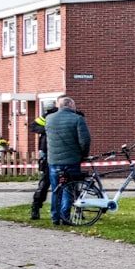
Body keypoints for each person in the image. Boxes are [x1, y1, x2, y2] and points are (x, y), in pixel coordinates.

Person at [42, 96, 91, 225]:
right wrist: (83, 155)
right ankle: (65, 217)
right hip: (72, 160)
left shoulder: (49, 119)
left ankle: (55, 217)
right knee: (68, 190)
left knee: (56, 189)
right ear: (69, 104)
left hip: (54, 161)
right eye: (74, 105)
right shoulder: (77, 119)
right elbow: (85, 141)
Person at [25, 105, 51, 220]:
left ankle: (76, 210)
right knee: (44, 183)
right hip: (47, 153)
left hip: (64, 154)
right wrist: (47, 129)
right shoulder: (49, 115)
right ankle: (35, 208)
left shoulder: (73, 115)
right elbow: (33, 126)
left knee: (72, 184)